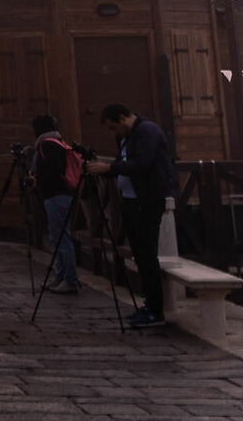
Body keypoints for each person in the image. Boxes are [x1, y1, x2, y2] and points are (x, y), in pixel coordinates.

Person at [95, 102, 176, 327]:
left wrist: (108, 169)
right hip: (132, 201)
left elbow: (142, 164)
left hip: (148, 201)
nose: (113, 133)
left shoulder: (147, 131)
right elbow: (125, 163)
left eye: (113, 128)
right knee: (140, 254)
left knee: (147, 254)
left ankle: (156, 311)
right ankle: (149, 305)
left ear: (123, 118)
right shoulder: (128, 137)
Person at [29, 113, 82, 293]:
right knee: (57, 236)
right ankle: (60, 276)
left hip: (57, 195)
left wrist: (38, 180)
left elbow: (54, 169)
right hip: (59, 195)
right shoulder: (56, 141)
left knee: (61, 238)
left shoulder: (48, 144)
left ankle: (69, 280)